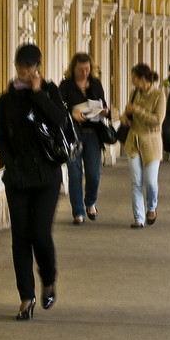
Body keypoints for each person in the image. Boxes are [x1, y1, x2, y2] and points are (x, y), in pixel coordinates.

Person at [0, 42, 68, 320]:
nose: (25, 72)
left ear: (38, 67)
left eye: (30, 67)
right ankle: (26, 297)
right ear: (16, 67)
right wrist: (9, 163)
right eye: (21, 67)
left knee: (40, 233)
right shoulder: (5, 100)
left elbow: (61, 121)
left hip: (46, 176)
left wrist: (39, 95)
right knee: (20, 239)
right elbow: (1, 136)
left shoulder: (49, 91)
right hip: (17, 178)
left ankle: (48, 279)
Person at [60, 50, 109, 224]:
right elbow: (58, 110)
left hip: (93, 134)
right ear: (73, 69)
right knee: (74, 174)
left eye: (87, 69)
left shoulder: (95, 84)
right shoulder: (66, 86)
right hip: (73, 135)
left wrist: (104, 111)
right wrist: (72, 114)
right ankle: (78, 212)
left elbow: (104, 104)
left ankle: (90, 202)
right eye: (81, 69)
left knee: (93, 173)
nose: (85, 73)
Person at [122, 63, 166, 228]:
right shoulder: (134, 93)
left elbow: (158, 120)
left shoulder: (159, 95)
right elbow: (128, 112)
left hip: (151, 143)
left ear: (142, 79)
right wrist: (124, 117)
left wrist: (137, 111)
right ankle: (138, 218)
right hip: (133, 141)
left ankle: (152, 206)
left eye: (134, 78)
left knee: (150, 181)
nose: (132, 81)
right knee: (136, 181)